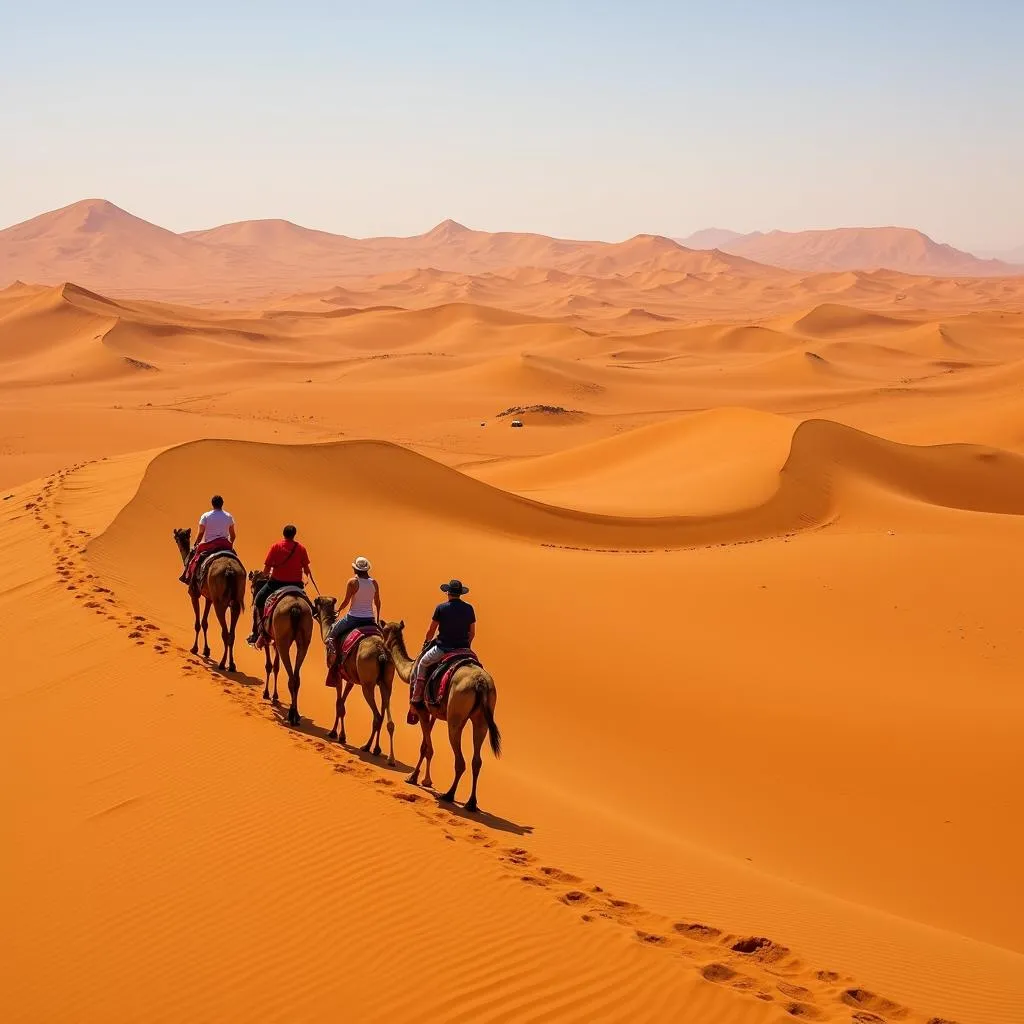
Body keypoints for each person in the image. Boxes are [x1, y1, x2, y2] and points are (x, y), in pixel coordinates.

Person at [410, 579, 476, 711]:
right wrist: (466, 645)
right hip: (464, 649)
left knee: (422, 663)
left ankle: (416, 698)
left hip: (443, 648)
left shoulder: (441, 608)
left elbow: (431, 631)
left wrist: (427, 642)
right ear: (460, 594)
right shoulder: (469, 608)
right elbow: (472, 633)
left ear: (448, 593)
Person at [246, 524, 313, 645]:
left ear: (284, 534)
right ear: (294, 535)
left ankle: (261, 633)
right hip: (297, 585)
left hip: (276, 583)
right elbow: (307, 570)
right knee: (311, 608)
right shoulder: (301, 548)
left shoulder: (275, 547)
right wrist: (306, 580)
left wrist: (260, 576)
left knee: (259, 600)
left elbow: (266, 571)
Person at [179, 494, 236, 585]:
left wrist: (196, 543)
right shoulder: (229, 516)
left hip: (209, 544)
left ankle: (190, 579)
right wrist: (230, 544)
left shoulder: (205, 516)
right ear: (222, 504)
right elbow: (233, 535)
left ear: (212, 504)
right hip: (225, 544)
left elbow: (201, 533)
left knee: (194, 560)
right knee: (235, 559)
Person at [327, 556, 382, 651]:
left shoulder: (353, 582)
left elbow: (346, 601)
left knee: (331, 635)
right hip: (369, 619)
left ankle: (334, 657)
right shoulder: (374, 583)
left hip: (353, 618)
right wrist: (377, 619)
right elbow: (377, 602)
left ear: (356, 569)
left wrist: (338, 611)